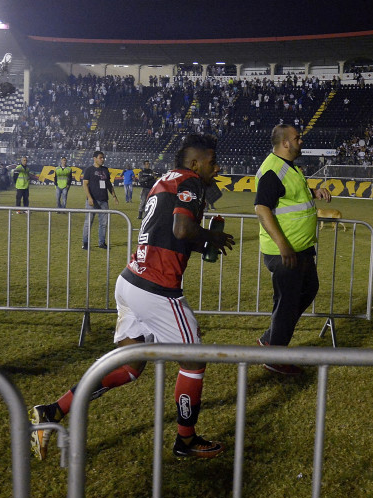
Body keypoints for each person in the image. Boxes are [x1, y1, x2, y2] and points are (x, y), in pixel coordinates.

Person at [30, 134, 235, 460]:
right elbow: (182, 229)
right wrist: (211, 235)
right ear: (195, 163)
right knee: (195, 360)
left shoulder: (164, 181)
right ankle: (186, 441)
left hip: (131, 281)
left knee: (129, 367)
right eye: (212, 161)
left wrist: (206, 242)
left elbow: (170, 232)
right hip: (157, 289)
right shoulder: (191, 181)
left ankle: (53, 410)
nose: (217, 166)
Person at [254, 124, 332, 375]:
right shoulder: (272, 170)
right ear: (285, 143)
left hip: (301, 248)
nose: (301, 141)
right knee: (287, 301)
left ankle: (270, 339)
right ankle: (275, 355)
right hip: (285, 251)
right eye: (297, 138)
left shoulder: (288, 167)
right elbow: (262, 208)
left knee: (308, 289)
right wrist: (283, 245)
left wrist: (313, 192)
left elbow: (289, 195)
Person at [82, 151, 119, 250]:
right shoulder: (89, 170)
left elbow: (108, 184)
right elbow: (85, 184)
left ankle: (102, 243)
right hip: (92, 201)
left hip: (104, 201)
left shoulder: (105, 170)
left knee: (104, 223)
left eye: (103, 158)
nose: (102, 159)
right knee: (88, 222)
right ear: (95, 158)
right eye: (100, 158)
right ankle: (85, 243)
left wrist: (114, 196)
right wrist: (89, 197)